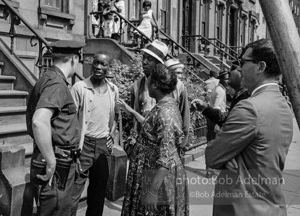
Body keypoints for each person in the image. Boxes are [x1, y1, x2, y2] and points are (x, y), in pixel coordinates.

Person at [205, 39, 293, 216]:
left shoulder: (249, 108)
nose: (239, 68)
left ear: (260, 67)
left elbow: (212, 156)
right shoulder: (283, 104)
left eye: (242, 62)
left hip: (243, 207)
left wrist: (228, 153)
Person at [119, 64, 189, 216]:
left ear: (156, 85)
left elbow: (165, 158)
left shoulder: (165, 115)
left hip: (157, 178)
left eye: (149, 80)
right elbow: (151, 127)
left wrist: (152, 191)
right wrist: (130, 110)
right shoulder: (166, 106)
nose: (146, 84)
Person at [26, 40, 84, 216]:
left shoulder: (46, 78)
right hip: (58, 164)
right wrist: (51, 162)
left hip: (56, 159)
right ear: (74, 59)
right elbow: (39, 121)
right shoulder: (57, 84)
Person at [70, 54, 119, 216]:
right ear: (92, 64)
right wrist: (74, 147)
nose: (98, 67)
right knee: (73, 192)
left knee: (98, 194)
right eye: (96, 63)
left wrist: (112, 136)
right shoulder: (79, 87)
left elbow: (114, 118)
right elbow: (70, 119)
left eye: (103, 64)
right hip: (83, 146)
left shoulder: (113, 90)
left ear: (108, 67)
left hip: (103, 147)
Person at [127, 39, 168, 158]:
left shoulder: (174, 86)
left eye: (149, 59)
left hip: (163, 146)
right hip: (142, 145)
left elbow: (182, 115)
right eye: (143, 58)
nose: (144, 62)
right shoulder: (137, 85)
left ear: (159, 63)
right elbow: (134, 114)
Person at [164, 58, 190, 149]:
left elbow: (185, 112)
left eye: (181, 73)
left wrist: (185, 136)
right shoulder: (159, 87)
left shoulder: (180, 87)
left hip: (175, 133)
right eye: (178, 73)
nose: (181, 76)